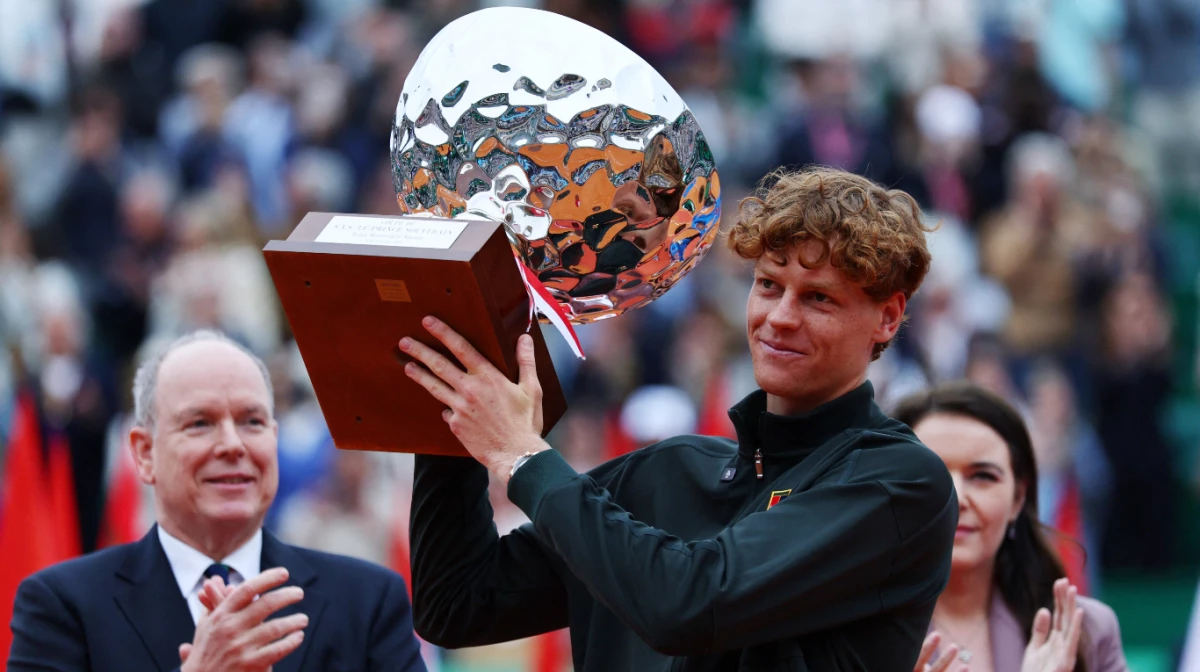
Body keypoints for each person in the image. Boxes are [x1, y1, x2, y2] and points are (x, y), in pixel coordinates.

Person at [403, 167, 958, 669]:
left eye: (818, 298)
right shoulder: (666, 469)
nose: (779, 318)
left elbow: (691, 605)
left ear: (887, 318)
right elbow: (456, 605)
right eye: (768, 284)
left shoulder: (898, 481)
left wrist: (523, 457)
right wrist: (460, 387)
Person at [8, 331, 427, 672]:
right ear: (144, 453)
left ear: (275, 440)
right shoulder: (61, 606)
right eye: (200, 423)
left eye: (252, 421)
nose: (232, 444)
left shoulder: (369, 601)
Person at [892, 382, 1128, 672]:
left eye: (982, 476)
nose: (956, 498)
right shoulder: (843, 629)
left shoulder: (1087, 633)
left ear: (1018, 498)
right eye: (929, 474)